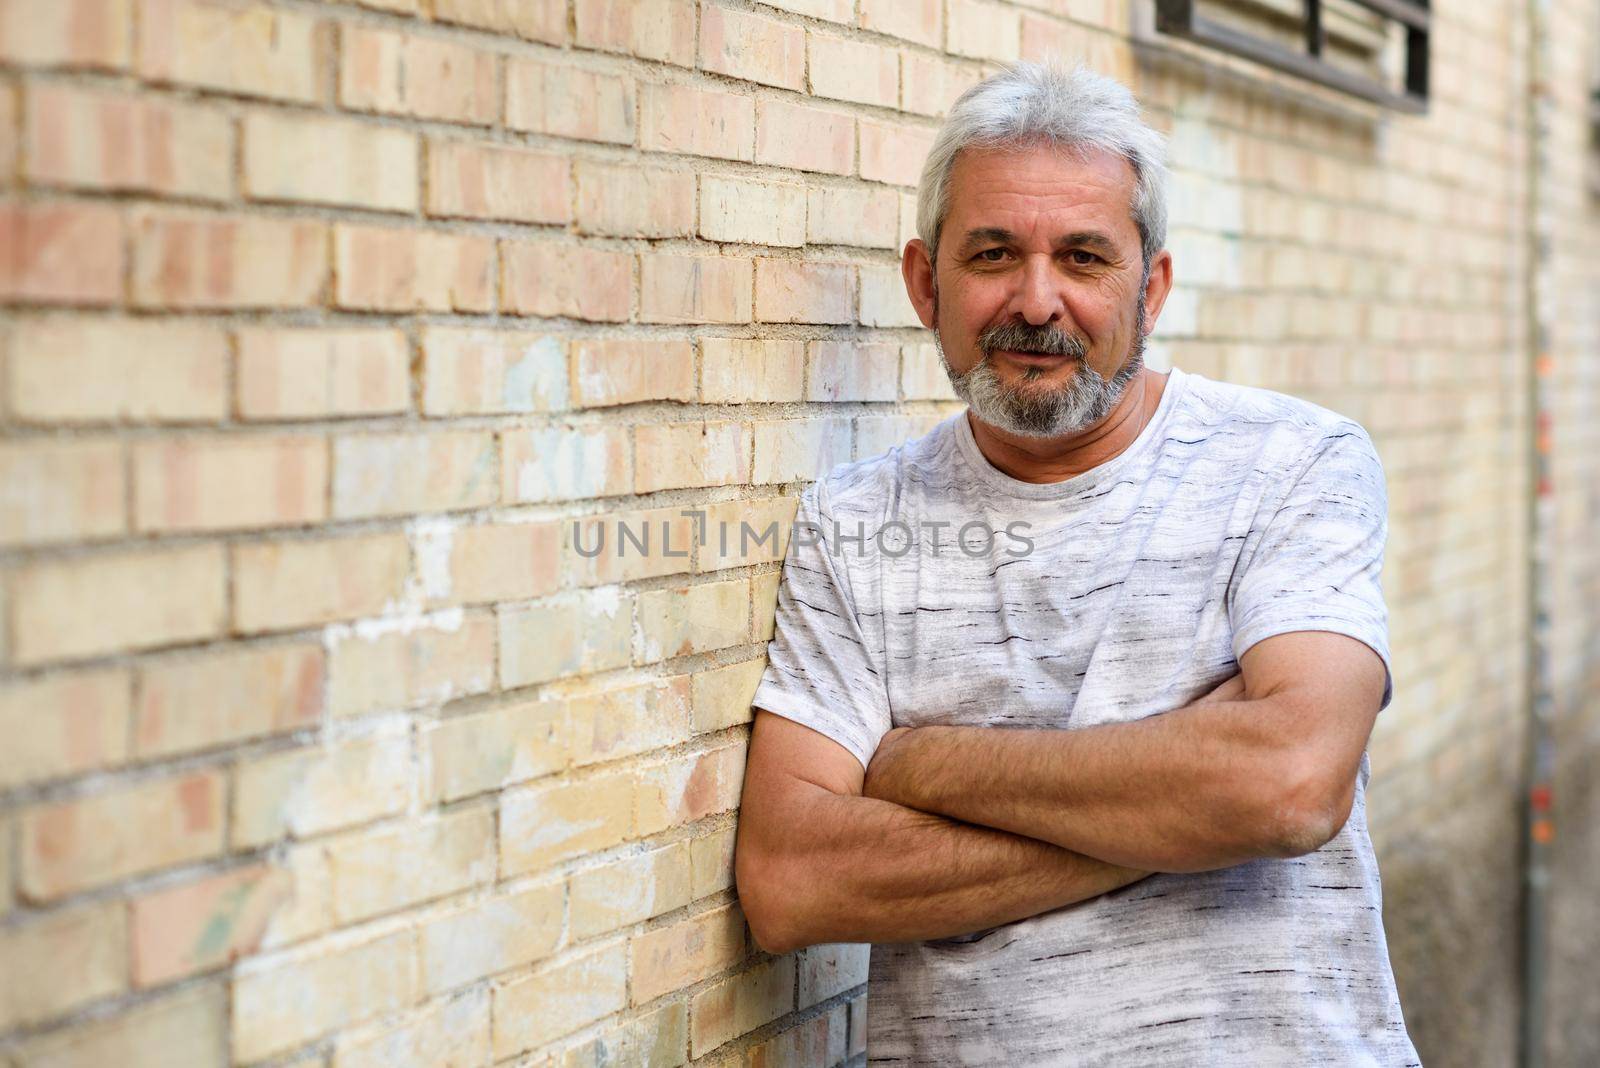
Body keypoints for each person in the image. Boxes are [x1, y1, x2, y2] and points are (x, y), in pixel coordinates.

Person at [734, 62, 1421, 1065]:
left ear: (1152, 285)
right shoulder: (855, 523)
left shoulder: (1288, 464)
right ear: (925, 283)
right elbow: (794, 881)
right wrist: (1180, 805)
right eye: (994, 253)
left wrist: (921, 764)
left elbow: (1286, 785)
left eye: (1084, 257)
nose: (1036, 299)